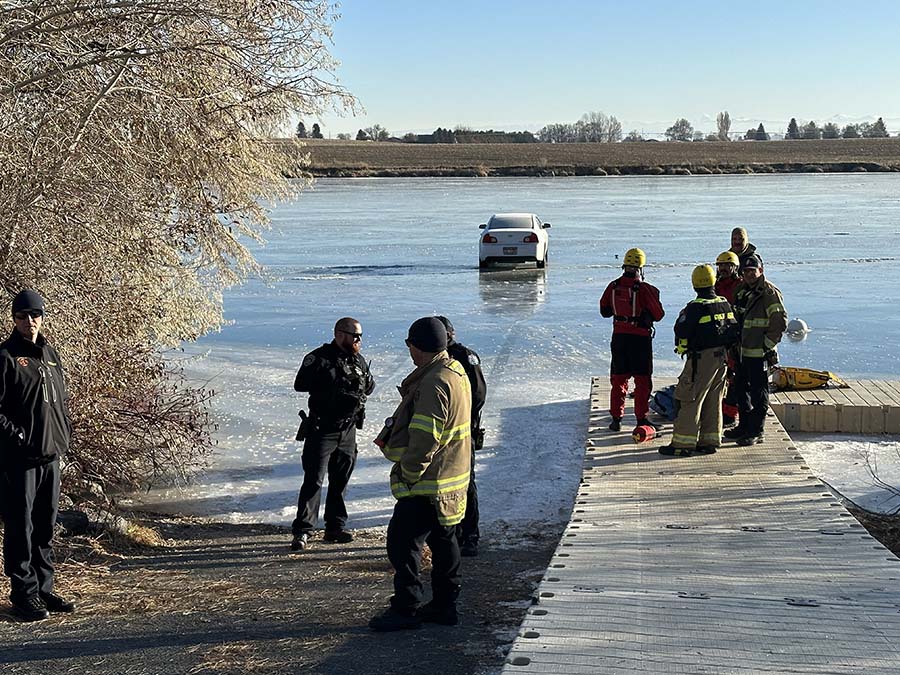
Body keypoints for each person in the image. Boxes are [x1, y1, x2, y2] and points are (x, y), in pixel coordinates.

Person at [369, 317, 472, 632]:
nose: (408, 350)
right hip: (452, 479)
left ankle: (406, 607)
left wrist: (409, 473)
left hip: (429, 483)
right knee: (445, 543)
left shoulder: (434, 382)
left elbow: (426, 437)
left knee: (402, 543)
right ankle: (444, 607)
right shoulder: (456, 372)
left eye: (409, 344)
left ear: (418, 346)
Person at [0, 290, 75, 621]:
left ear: (42, 316)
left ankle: (44, 589)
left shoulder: (50, 353)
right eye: (22, 316)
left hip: (51, 456)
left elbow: (58, 402)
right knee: (22, 526)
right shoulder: (6, 357)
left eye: (34, 314)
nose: (29, 321)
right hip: (20, 461)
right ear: (13, 319)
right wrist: (17, 436)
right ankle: (23, 594)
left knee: (45, 525)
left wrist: (65, 435)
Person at [290, 317, 374, 552]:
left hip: (347, 430)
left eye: (360, 336)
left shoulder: (358, 360)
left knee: (340, 480)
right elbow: (300, 384)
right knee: (314, 480)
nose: (358, 340)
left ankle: (334, 527)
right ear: (339, 334)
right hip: (322, 429)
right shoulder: (319, 358)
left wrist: (359, 382)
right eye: (354, 335)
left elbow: (370, 386)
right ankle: (303, 531)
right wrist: (334, 383)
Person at [659, 266, 738, 457]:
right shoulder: (724, 303)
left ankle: (682, 443)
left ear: (695, 284)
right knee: (714, 399)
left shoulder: (695, 307)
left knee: (690, 397)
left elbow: (682, 330)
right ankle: (710, 440)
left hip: (701, 360)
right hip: (722, 359)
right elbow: (734, 330)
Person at [599, 247, 665, 431]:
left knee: (619, 379)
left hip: (619, 338)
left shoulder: (612, 286)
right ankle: (641, 419)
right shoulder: (644, 289)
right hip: (640, 341)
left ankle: (616, 419)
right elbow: (659, 315)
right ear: (641, 268)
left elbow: (604, 311)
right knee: (642, 380)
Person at [723, 255, 787, 446]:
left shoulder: (769, 293)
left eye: (753, 271)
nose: (749, 274)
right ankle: (744, 426)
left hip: (759, 354)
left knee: (759, 393)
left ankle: (757, 431)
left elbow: (779, 323)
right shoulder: (742, 291)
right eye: (746, 271)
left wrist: (766, 345)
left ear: (761, 270)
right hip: (741, 351)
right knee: (741, 390)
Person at [436, 316, 486, 558]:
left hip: (463, 432)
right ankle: (451, 533)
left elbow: (478, 394)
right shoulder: (434, 357)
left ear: (450, 334)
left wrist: (462, 419)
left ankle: (470, 536)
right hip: (440, 433)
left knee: (466, 484)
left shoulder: (465, 357)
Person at [714, 250, 742, 424]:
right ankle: (717, 411)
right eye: (721, 265)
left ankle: (730, 414)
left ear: (735, 267)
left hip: (735, 338)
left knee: (735, 376)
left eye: (727, 265)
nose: (724, 268)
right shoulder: (714, 285)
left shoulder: (741, 285)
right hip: (718, 338)